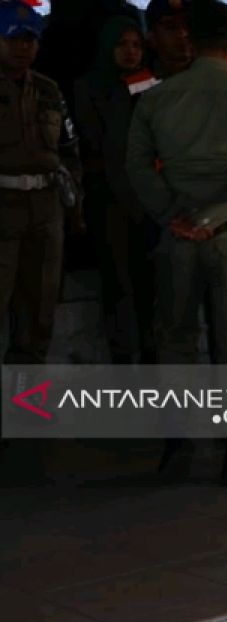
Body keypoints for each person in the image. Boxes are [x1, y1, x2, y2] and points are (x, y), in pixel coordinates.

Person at [126, 0, 227, 485]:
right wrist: (210, 217)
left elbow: (136, 166)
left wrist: (175, 216)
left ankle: (177, 449)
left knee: (175, 339)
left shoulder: (156, 99)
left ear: (190, 44)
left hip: (176, 238)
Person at [0, 1, 82, 370]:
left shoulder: (49, 90)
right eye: (14, 38)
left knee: (39, 315)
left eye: (31, 39)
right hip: (3, 209)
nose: (23, 47)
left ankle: (26, 405)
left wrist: (73, 204)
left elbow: (69, 150)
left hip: (46, 211)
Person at [75, 15, 158, 364]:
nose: (130, 52)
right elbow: (99, 143)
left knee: (150, 281)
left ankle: (152, 354)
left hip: (149, 198)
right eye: (123, 44)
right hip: (109, 197)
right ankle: (123, 356)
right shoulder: (90, 86)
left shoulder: (152, 83)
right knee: (118, 282)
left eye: (136, 45)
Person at [145, 0, 195, 79]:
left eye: (187, 25)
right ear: (152, 37)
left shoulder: (211, 74)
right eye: (170, 27)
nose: (183, 34)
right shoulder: (138, 84)